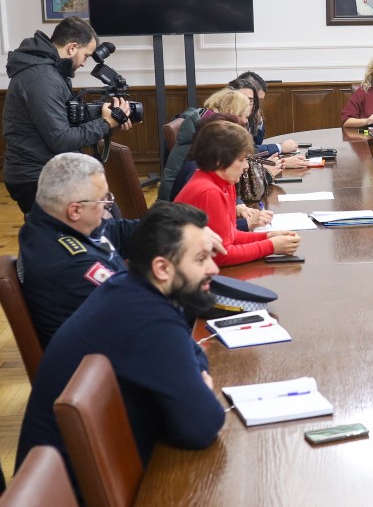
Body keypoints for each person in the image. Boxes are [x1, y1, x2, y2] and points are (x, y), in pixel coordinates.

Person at [15, 202, 226, 486]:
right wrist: (198, 384)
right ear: (162, 267)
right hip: (72, 492)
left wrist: (194, 372)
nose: (213, 268)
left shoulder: (131, 286)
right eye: (201, 259)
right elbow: (202, 425)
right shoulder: (147, 318)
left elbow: (193, 352)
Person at [2, 17, 133, 213]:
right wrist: (105, 124)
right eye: (86, 56)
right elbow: (61, 139)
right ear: (72, 48)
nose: (83, 63)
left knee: (108, 211)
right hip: (36, 176)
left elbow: (64, 120)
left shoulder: (50, 71)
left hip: (48, 170)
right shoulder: (42, 78)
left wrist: (107, 120)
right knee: (105, 215)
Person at [17, 153, 136, 347]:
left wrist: (175, 229)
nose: (108, 204)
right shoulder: (72, 264)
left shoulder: (49, 221)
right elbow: (136, 312)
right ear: (75, 210)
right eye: (103, 199)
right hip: (101, 366)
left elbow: (114, 232)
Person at [174, 120, 300, 266]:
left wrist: (268, 236)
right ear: (219, 161)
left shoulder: (225, 183)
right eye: (241, 160)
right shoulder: (209, 191)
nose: (246, 166)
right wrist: (271, 246)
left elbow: (230, 235)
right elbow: (221, 255)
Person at [159, 88, 254, 201]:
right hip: (176, 209)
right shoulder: (211, 136)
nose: (246, 121)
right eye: (246, 116)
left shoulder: (204, 124)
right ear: (231, 111)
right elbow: (216, 182)